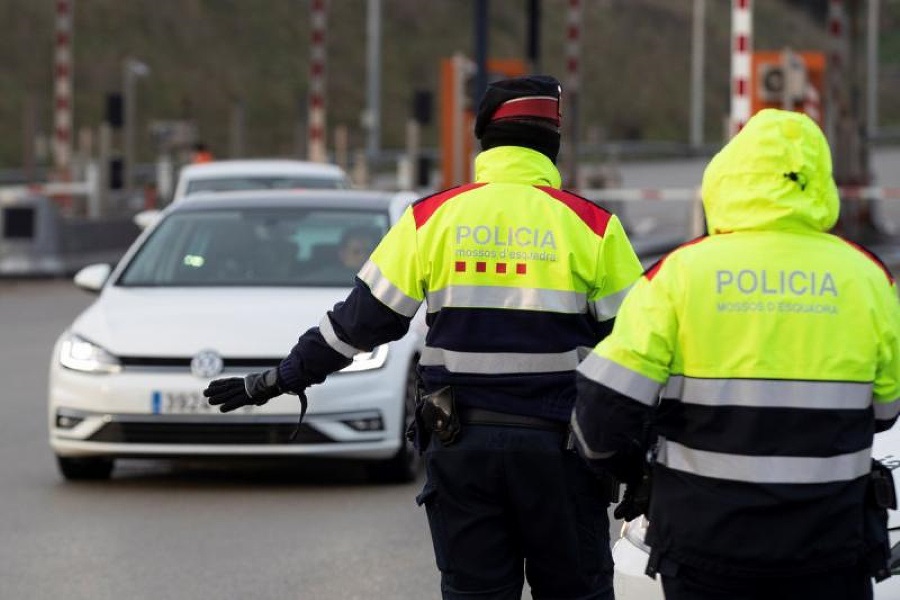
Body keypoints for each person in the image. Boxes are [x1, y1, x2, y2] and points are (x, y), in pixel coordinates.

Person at [203, 74, 643, 599]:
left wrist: (278, 379)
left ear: (484, 141)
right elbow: (637, 357)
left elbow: (355, 325)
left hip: (463, 449)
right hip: (563, 456)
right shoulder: (593, 227)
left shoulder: (430, 219)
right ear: (553, 145)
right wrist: (644, 464)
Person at [571, 108, 900, 600]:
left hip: (704, 547)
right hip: (829, 546)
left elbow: (600, 421)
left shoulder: (678, 276)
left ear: (725, 178)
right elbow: (885, 411)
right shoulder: (868, 279)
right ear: (819, 182)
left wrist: (638, 473)